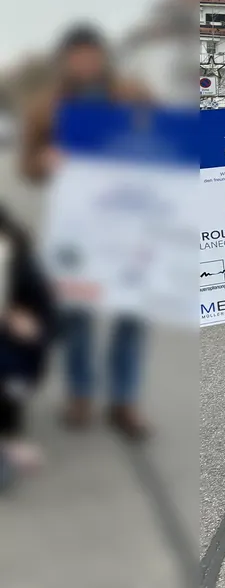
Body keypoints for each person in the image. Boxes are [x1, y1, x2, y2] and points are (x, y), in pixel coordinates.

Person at [19, 25, 151, 439]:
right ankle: (80, 395)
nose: (84, 63)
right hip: (78, 225)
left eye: (91, 54)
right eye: (76, 56)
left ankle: (124, 401)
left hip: (131, 222)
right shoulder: (47, 105)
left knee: (130, 315)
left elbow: (164, 148)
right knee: (78, 314)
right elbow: (28, 166)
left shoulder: (133, 95)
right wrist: (47, 160)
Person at [0, 207, 53, 484]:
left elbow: (46, 314)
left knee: (14, 373)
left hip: (13, 351)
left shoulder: (19, 259)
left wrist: (32, 326)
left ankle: (9, 438)